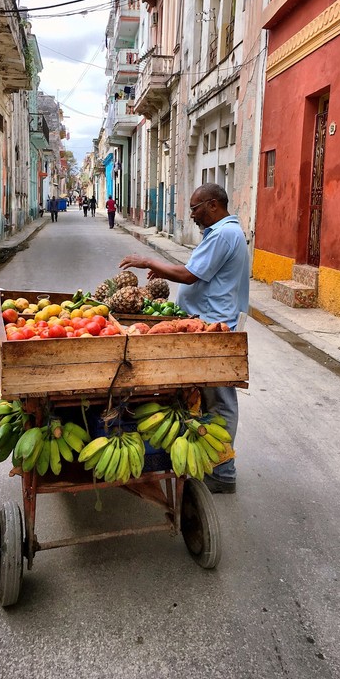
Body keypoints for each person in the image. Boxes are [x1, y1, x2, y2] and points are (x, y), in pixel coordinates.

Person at [119, 183, 249, 494]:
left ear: (214, 205)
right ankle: (209, 464)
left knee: (220, 400)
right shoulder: (223, 233)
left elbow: (190, 275)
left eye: (195, 207)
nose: (191, 214)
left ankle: (223, 472)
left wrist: (150, 262)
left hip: (216, 329)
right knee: (205, 397)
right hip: (205, 324)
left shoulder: (222, 235)